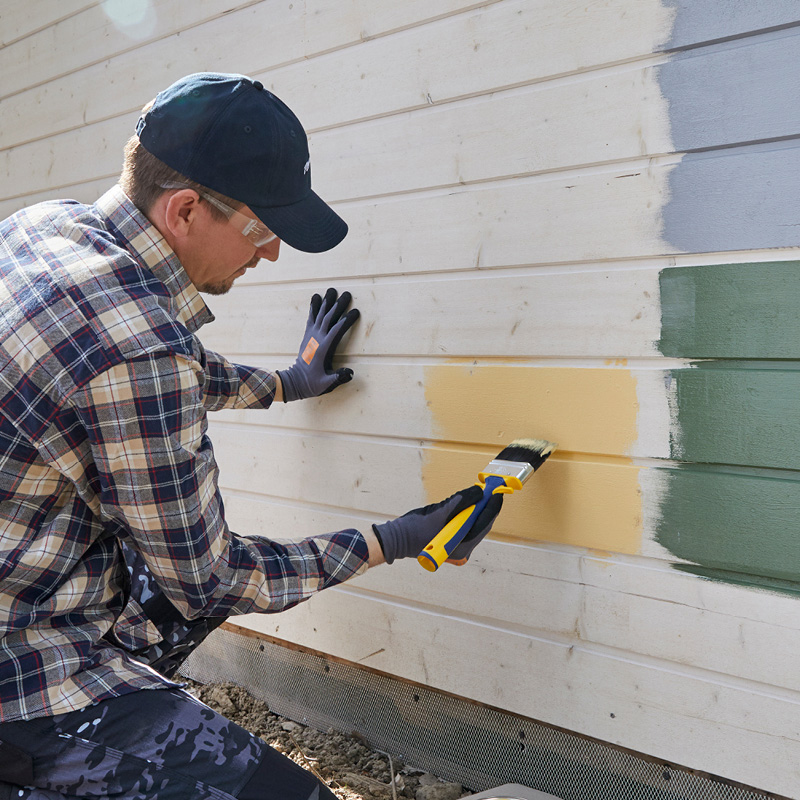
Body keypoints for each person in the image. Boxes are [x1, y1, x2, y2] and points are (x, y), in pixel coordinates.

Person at [0, 73, 503, 800]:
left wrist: (289, 383)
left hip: (25, 576)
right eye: (262, 231)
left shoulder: (44, 230)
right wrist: (390, 540)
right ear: (184, 209)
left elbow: (118, 373)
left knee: (152, 577)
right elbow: (209, 581)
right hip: (22, 671)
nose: (269, 254)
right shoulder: (141, 351)